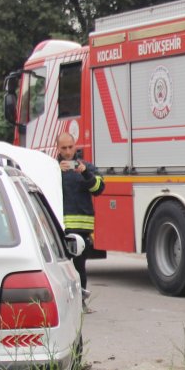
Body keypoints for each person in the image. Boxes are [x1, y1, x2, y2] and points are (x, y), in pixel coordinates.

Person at [56, 131, 104, 313]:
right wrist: (56, 171)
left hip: (81, 228)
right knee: (59, 268)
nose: (68, 152)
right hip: (59, 227)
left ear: (75, 146)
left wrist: (85, 173)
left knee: (79, 268)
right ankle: (62, 303)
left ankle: (80, 303)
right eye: (64, 148)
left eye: (70, 147)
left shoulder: (86, 167)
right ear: (58, 148)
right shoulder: (52, 168)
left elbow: (99, 188)